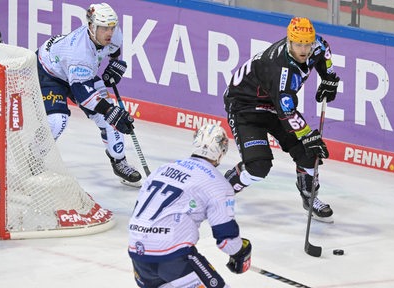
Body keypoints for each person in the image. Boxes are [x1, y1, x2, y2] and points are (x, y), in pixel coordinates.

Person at [223, 17, 340, 222]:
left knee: (308, 153)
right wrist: (308, 136)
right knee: (258, 167)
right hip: (245, 106)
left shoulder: (317, 45)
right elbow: (287, 112)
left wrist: (328, 77)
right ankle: (220, 190)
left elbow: (325, 51)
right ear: (289, 42)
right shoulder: (280, 69)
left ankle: (309, 196)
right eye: (298, 44)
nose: (304, 50)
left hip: (274, 104)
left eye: (307, 44)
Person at [128, 124, 252, 288]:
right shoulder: (218, 184)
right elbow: (226, 242)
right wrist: (240, 252)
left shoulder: (163, 168)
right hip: (173, 258)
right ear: (222, 152)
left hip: (138, 252)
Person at [35, 2, 142, 187]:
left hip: (79, 74)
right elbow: (83, 95)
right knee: (57, 120)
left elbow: (114, 49)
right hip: (50, 73)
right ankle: (32, 159)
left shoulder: (113, 34)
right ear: (92, 27)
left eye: (111, 27)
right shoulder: (79, 53)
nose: (109, 33)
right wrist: (109, 110)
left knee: (111, 119)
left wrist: (114, 63)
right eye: (103, 29)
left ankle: (119, 161)